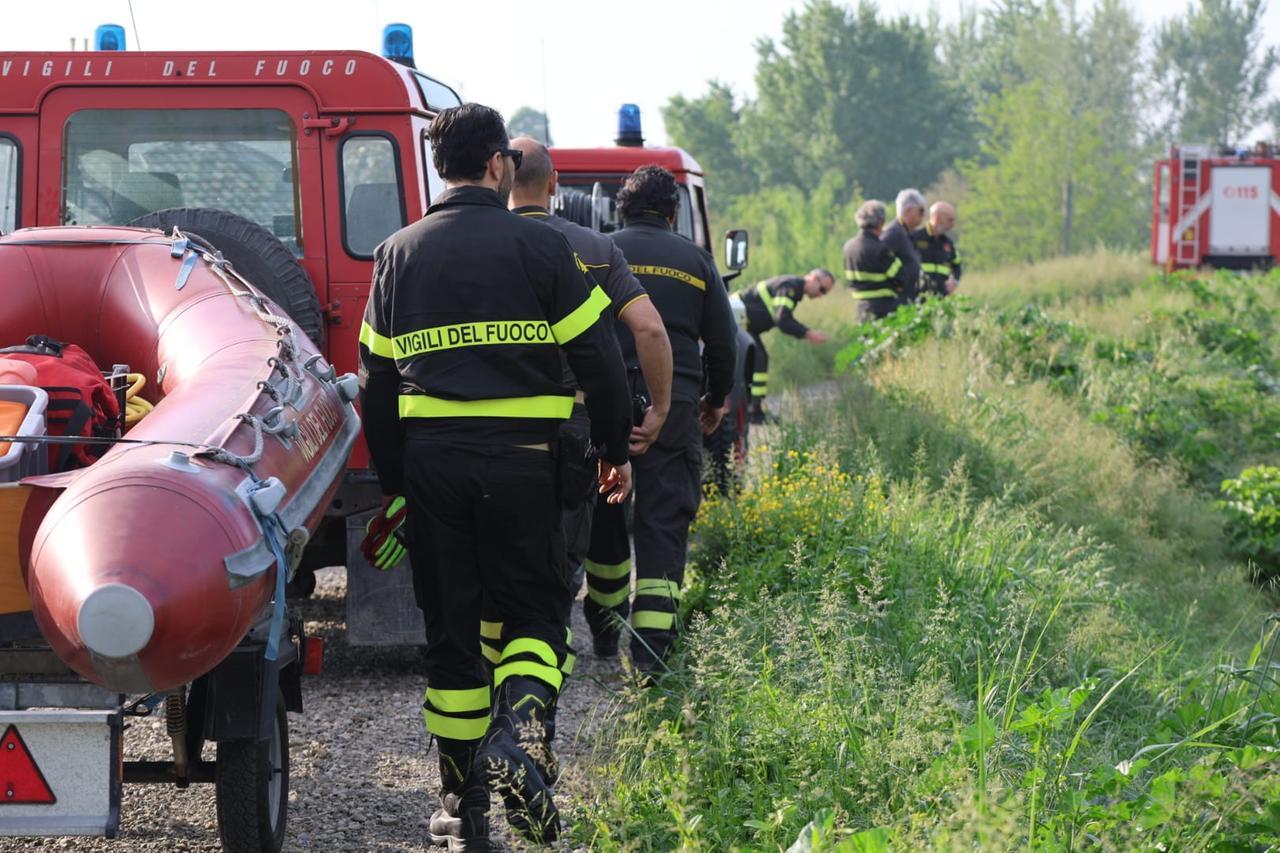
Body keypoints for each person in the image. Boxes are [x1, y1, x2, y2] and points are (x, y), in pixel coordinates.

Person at [358, 103, 633, 849]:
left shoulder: (396, 254)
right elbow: (602, 360)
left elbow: (376, 386)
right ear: (497, 165)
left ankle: (465, 802)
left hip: (434, 471)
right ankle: (517, 739)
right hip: (530, 466)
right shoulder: (542, 249)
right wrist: (613, 449)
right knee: (537, 616)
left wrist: (395, 485)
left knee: (453, 638)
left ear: (437, 164)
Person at [476, 136, 673, 781]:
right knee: (568, 561)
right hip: (577, 429)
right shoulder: (592, 247)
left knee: (492, 570)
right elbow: (646, 329)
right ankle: (573, 665)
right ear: (555, 181)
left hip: (481, 437)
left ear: (504, 176)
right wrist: (658, 412)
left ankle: (490, 693)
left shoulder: (477, 244)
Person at [583, 165, 737, 674]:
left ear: (620, 209)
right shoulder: (697, 261)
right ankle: (651, 654)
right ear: (673, 213)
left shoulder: (597, 251)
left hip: (609, 413)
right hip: (672, 412)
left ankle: (604, 628)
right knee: (663, 524)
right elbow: (721, 342)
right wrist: (714, 400)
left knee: (607, 512)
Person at [739, 270, 834, 423]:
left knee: (758, 360)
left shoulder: (794, 289)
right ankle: (752, 411)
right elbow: (782, 320)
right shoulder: (790, 286)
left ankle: (751, 409)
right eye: (822, 289)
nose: (821, 295)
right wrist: (808, 333)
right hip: (738, 320)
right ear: (815, 279)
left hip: (744, 323)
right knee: (759, 359)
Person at [843, 200, 907, 322]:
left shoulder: (848, 247)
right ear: (881, 222)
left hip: (861, 307)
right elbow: (900, 278)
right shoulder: (880, 248)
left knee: (867, 340)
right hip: (883, 307)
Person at [880, 188, 926, 305]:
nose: (923, 216)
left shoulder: (906, 233)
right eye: (920, 211)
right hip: (896, 300)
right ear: (909, 210)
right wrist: (898, 283)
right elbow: (880, 259)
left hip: (908, 297)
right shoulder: (893, 233)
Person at [912, 201, 961, 298]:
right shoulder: (915, 238)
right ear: (937, 219)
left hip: (941, 297)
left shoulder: (948, 243)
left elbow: (957, 265)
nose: (953, 224)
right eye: (950, 220)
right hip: (918, 296)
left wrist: (954, 281)